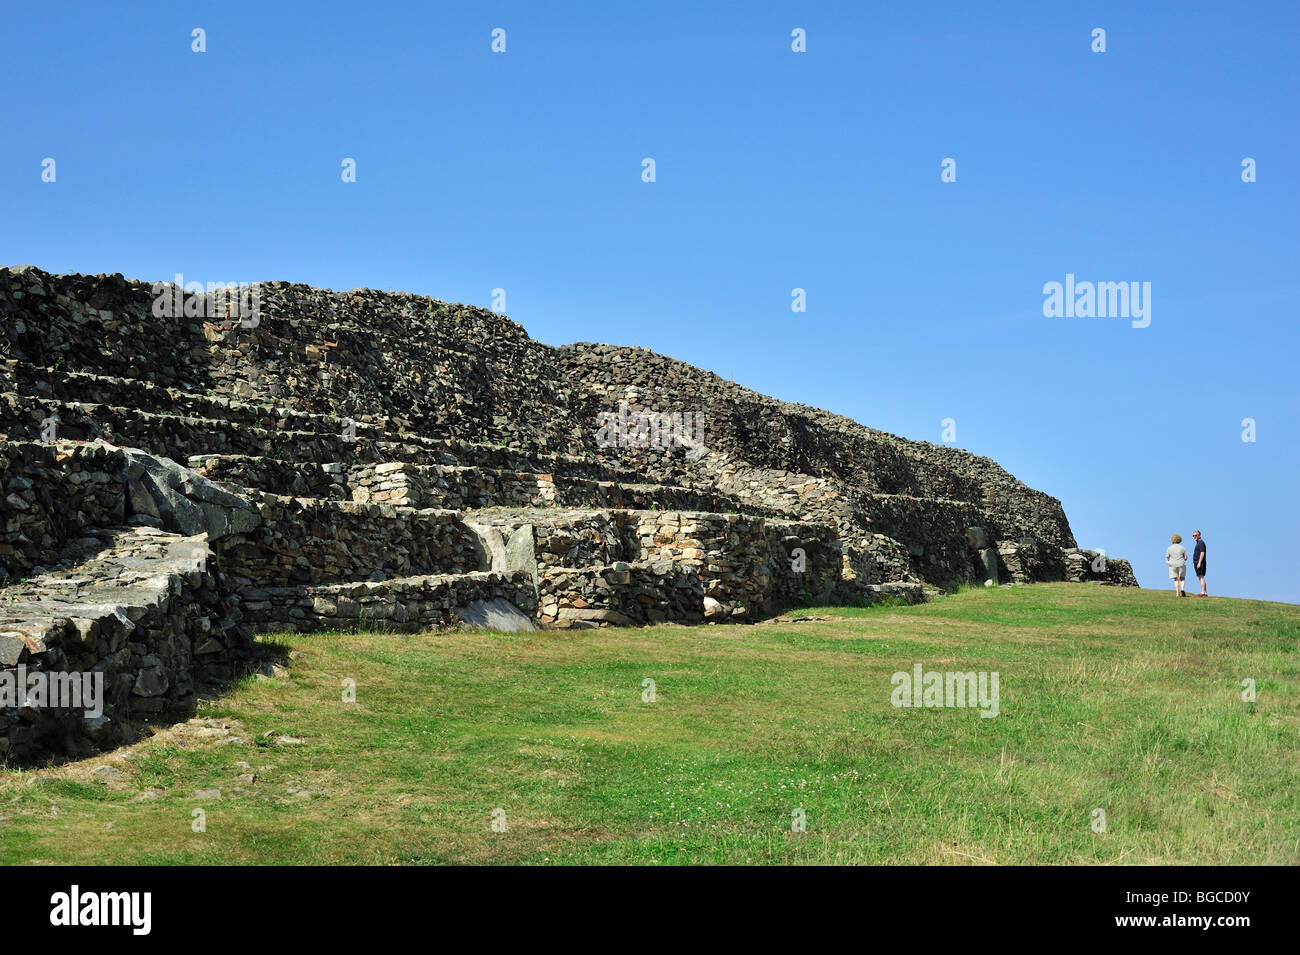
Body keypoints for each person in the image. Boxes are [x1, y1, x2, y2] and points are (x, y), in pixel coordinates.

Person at [1192, 530, 1207, 596]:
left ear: (1199, 535)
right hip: (1198, 562)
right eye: (1193, 535)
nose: (1194, 537)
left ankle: (1203, 592)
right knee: (1200, 577)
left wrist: (1199, 562)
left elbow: (1202, 552)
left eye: (1196, 535)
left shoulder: (1201, 543)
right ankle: (1204, 592)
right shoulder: (1198, 543)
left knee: (1201, 577)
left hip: (1199, 562)